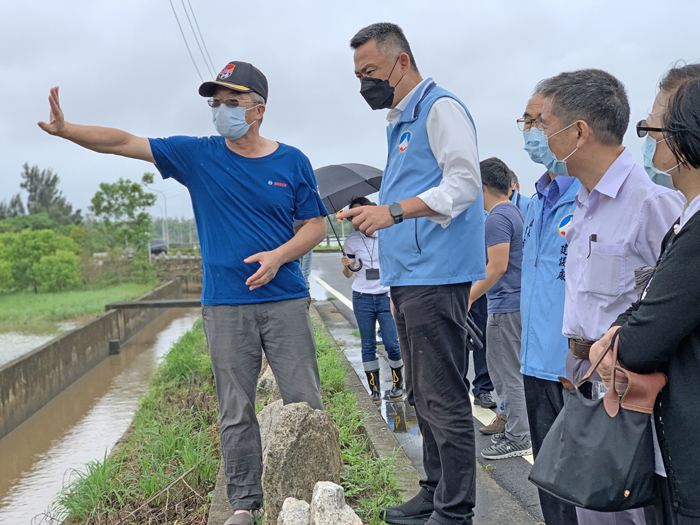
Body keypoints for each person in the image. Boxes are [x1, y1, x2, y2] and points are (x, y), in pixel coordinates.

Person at [37, 61, 328, 525]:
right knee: (235, 409)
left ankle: (316, 492)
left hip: (285, 299)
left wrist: (278, 256)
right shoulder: (199, 155)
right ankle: (244, 503)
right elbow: (125, 142)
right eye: (216, 103)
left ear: (258, 110)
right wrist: (68, 130)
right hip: (226, 305)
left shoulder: (291, 160)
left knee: (305, 402)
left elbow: (315, 226)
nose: (221, 111)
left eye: (232, 102)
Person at [340, 22, 485, 525]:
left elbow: (464, 183)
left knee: (443, 394)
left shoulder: (439, 108)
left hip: (437, 275)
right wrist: (374, 214)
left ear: (401, 62)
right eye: (358, 75)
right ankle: (434, 489)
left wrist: (393, 211)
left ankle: (455, 509)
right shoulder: (401, 121)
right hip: (408, 277)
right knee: (422, 392)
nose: (365, 84)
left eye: (371, 72)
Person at [538, 68, 684, 525]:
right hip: (584, 380)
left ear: (578, 131)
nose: (540, 137)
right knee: (593, 510)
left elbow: (674, 309)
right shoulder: (584, 201)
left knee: (634, 512)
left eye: (544, 125)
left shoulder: (650, 204)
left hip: (630, 395)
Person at [590, 64, 700, 525]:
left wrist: (618, 336)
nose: (648, 137)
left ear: (685, 136)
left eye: (653, 127)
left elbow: (641, 340)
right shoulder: (686, 221)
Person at [517, 87, 581, 524]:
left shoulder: (590, 197)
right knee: (551, 483)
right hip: (534, 364)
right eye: (524, 122)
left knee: (586, 486)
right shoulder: (536, 202)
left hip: (576, 372)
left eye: (538, 121)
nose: (530, 131)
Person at [468, 157, 530, 460]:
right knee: (506, 371)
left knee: (507, 374)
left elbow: (497, 267)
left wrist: (466, 299)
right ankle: (513, 426)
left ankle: (519, 437)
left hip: (506, 307)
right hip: (512, 304)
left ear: (481, 187)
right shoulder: (513, 212)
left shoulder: (496, 218)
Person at [341, 196, 404, 404]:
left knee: (392, 343)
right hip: (362, 298)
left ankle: (397, 385)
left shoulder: (386, 234)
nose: (358, 218)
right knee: (367, 345)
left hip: (386, 296)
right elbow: (349, 274)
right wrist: (346, 265)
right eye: (354, 215)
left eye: (361, 212)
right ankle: (375, 391)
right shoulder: (351, 241)